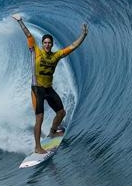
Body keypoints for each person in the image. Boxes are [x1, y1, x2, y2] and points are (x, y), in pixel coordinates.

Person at [12, 14, 88, 154]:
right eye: (45, 42)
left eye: (49, 43)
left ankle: (53, 131)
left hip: (48, 89)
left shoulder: (56, 56)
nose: (47, 44)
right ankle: (37, 147)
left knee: (61, 113)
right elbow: (28, 35)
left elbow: (72, 47)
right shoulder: (35, 51)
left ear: (52, 44)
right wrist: (20, 22)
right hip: (37, 89)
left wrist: (83, 35)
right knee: (39, 118)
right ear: (42, 44)